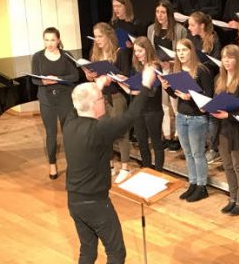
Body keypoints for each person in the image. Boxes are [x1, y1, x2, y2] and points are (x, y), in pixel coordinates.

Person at [64, 65, 158, 264]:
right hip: (96, 203)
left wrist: (100, 86)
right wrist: (147, 85)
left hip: (74, 200)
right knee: (116, 253)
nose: (104, 102)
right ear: (94, 105)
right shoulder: (99, 130)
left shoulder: (70, 124)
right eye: (101, 99)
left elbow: (77, 102)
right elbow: (131, 116)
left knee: (87, 251)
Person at [162, 38, 213, 203]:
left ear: (191, 51)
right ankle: (193, 182)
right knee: (188, 153)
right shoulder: (177, 69)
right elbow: (175, 94)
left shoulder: (201, 70)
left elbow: (208, 97)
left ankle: (202, 186)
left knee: (198, 153)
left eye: (184, 50)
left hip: (196, 117)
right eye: (178, 50)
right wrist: (167, 88)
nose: (181, 53)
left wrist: (190, 97)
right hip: (181, 115)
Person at [83, 22, 132, 184]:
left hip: (116, 96)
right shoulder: (95, 53)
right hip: (101, 97)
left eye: (100, 36)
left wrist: (113, 78)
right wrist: (90, 75)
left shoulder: (120, 53)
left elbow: (125, 76)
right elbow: (92, 76)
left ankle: (125, 167)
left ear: (108, 36)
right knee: (104, 134)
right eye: (95, 37)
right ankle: (110, 165)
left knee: (121, 133)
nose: (97, 40)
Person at [30, 27, 79, 179]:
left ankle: (73, 165)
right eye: (46, 40)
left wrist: (59, 79)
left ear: (58, 40)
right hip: (47, 99)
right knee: (51, 133)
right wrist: (44, 81)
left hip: (64, 98)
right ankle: (52, 165)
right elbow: (34, 79)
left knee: (69, 133)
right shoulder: (37, 56)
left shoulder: (66, 55)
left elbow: (75, 76)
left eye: (52, 40)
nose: (49, 43)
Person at [211, 45, 239, 215]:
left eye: (230, 57)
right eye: (224, 57)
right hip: (222, 129)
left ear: (237, 59)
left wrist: (228, 115)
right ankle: (233, 197)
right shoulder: (219, 79)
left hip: (237, 129)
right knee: (227, 165)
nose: (226, 61)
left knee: (238, 166)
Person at [147, 0, 188, 152]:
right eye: (157, 12)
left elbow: (185, 50)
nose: (160, 15)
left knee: (175, 104)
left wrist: (172, 62)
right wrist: (157, 62)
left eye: (163, 12)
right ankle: (167, 136)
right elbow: (151, 50)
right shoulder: (151, 29)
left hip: (174, 69)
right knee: (164, 106)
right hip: (159, 70)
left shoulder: (179, 30)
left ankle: (178, 136)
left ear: (169, 14)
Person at [121, 37, 164, 172]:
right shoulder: (137, 67)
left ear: (147, 50)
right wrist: (123, 83)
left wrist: (131, 90)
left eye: (140, 51)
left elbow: (151, 93)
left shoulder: (155, 67)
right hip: (140, 110)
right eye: (135, 51)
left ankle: (158, 172)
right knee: (142, 141)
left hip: (153, 111)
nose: (137, 54)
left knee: (156, 142)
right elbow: (133, 87)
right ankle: (147, 168)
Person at [188, 11, 222, 164]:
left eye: (192, 25)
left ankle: (214, 149)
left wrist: (202, 61)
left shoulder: (213, 39)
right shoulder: (192, 40)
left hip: (210, 80)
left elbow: (216, 62)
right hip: (197, 80)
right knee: (199, 114)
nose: (189, 28)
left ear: (202, 26)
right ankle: (203, 144)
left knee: (211, 115)